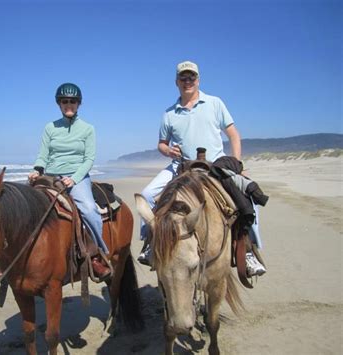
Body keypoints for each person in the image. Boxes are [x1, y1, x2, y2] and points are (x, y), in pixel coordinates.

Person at [138, 60, 266, 277]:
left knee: (248, 199)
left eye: (192, 78)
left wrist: (237, 164)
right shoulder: (169, 114)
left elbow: (234, 135)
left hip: (215, 165)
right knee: (148, 194)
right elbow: (161, 143)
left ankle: (249, 251)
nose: (188, 81)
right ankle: (150, 243)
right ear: (176, 82)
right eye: (183, 78)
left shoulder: (214, 103)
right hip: (181, 166)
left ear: (198, 80)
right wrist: (168, 151)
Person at [28, 83, 110, 278]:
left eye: (72, 101)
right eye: (64, 101)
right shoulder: (50, 127)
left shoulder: (88, 129)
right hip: (50, 176)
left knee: (89, 210)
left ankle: (98, 254)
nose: (68, 105)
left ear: (78, 103)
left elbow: (89, 158)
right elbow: (43, 155)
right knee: (22, 207)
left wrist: (73, 179)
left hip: (77, 177)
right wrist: (37, 170)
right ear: (59, 104)